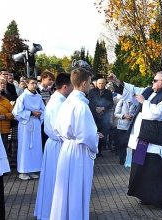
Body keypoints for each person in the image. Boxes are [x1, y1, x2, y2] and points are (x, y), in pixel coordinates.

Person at [118, 71, 162, 210]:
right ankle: (145, 196)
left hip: (155, 140)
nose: (153, 82)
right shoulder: (149, 91)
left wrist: (145, 102)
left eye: (155, 80)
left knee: (155, 170)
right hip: (141, 139)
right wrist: (117, 82)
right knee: (140, 169)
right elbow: (133, 90)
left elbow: (157, 113)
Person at [49, 68, 102, 220]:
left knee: (64, 189)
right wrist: (95, 138)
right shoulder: (81, 105)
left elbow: (57, 129)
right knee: (76, 189)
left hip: (66, 148)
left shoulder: (66, 102)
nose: (90, 86)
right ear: (84, 83)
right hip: (79, 151)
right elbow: (87, 135)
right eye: (90, 83)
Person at [34, 73, 73, 220]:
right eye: (72, 86)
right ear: (65, 87)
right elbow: (60, 129)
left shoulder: (57, 99)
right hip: (58, 144)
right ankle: (54, 213)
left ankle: (52, 211)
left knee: (54, 180)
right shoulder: (58, 103)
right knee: (56, 181)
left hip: (56, 144)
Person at [12, 77, 45, 180]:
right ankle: (23, 170)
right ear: (27, 84)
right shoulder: (23, 96)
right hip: (26, 124)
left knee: (35, 146)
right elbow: (16, 112)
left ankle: (33, 169)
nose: (34, 85)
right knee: (25, 147)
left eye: (36, 83)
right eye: (32, 83)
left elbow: (44, 109)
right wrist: (31, 113)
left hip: (35, 123)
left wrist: (40, 114)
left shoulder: (39, 97)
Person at [88, 78, 113, 157]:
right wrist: (96, 109)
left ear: (105, 84)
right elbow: (89, 102)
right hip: (94, 117)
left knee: (103, 134)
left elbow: (111, 103)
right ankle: (92, 149)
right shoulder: (92, 92)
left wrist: (103, 108)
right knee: (94, 133)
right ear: (96, 84)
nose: (101, 85)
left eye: (102, 83)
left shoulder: (108, 93)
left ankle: (99, 150)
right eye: (99, 83)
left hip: (104, 117)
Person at [114, 97, 136, 165]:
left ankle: (129, 159)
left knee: (130, 144)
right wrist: (123, 116)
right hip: (122, 126)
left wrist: (132, 116)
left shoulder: (136, 102)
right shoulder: (122, 101)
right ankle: (121, 158)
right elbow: (116, 113)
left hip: (131, 126)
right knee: (122, 143)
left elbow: (138, 112)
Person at [0, 84, 14, 153]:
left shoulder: (6, 101)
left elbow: (13, 114)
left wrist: (5, 116)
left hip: (4, 132)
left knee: (4, 151)